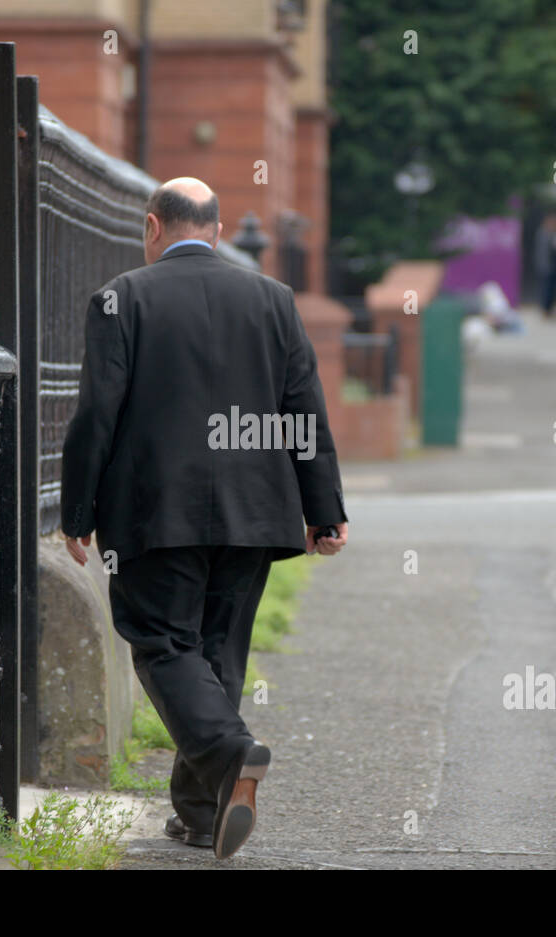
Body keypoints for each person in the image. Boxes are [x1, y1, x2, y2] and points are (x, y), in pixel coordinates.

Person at [60, 177, 349, 860]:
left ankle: (230, 752)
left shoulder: (122, 298)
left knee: (163, 643)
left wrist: (77, 510)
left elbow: (97, 414)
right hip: (257, 509)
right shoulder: (275, 299)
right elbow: (304, 409)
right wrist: (324, 510)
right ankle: (197, 812)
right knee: (216, 652)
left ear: (153, 227)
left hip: (154, 509)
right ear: (217, 232)